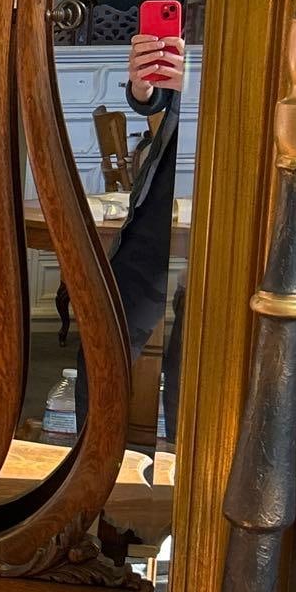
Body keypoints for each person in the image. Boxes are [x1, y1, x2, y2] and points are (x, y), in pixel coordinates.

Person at [75, 28, 186, 439]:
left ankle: (184, 468)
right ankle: (90, 464)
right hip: (160, 202)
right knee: (105, 330)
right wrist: (144, 89)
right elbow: (158, 102)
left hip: (232, 205)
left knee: (191, 350)